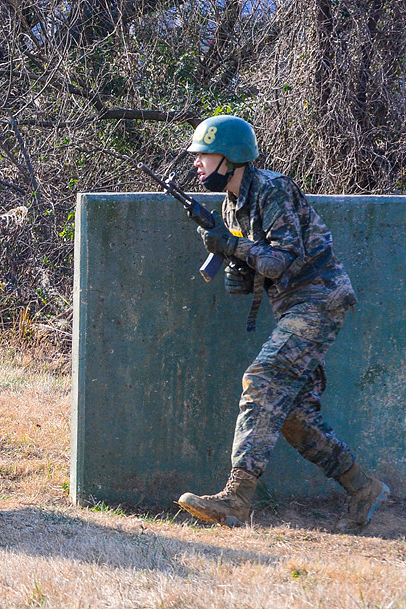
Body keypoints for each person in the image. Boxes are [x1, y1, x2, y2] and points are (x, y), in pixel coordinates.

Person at [175, 115, 389, 533]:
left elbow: (279, 260)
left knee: (262, 381)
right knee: (293, 417)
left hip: (319, 298)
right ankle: (363, 488)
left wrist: (233, 245)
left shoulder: (272, 189)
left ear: (232, 157)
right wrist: (233, 259)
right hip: (293, 306)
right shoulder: (230, 204)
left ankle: (236, 498)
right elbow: (255, 271)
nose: (197, 163)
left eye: (205, 155)